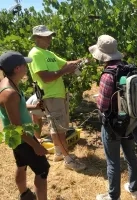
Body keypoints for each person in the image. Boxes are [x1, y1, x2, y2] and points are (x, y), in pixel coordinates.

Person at [89, 35, 137, 200]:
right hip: (131, 121)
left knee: (113, 161)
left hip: (113, 125)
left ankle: (113, 196)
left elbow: (104, 105)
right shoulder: (130, 69)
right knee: (130, 155)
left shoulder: (108, 75)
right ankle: (134, 189)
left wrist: (98, 99)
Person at [28, 24, 86, 171]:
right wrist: (64, 71)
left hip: (58, 95)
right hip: (50, 96)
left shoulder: (49, 53)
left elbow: (65, 63)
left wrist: (82, 60)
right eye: (46, 36)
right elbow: (46, 77)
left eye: (50, 36)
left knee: (57, 127)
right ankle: (69, 160)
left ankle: (59, 153)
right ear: (37, 38)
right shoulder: (35, 54)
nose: (50, 39)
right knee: (59, 128)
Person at [0, 51, 50, 200]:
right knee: (42, 171)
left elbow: (14, 110)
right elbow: (17, 126)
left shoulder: (7, 83)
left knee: (21, 164)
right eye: (24, 64)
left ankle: (25, 194)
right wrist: (36, 146)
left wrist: (33, 107)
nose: (27, 67)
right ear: (17, 68)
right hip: (23, 139)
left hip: (17, 139)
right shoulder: (10, 93)